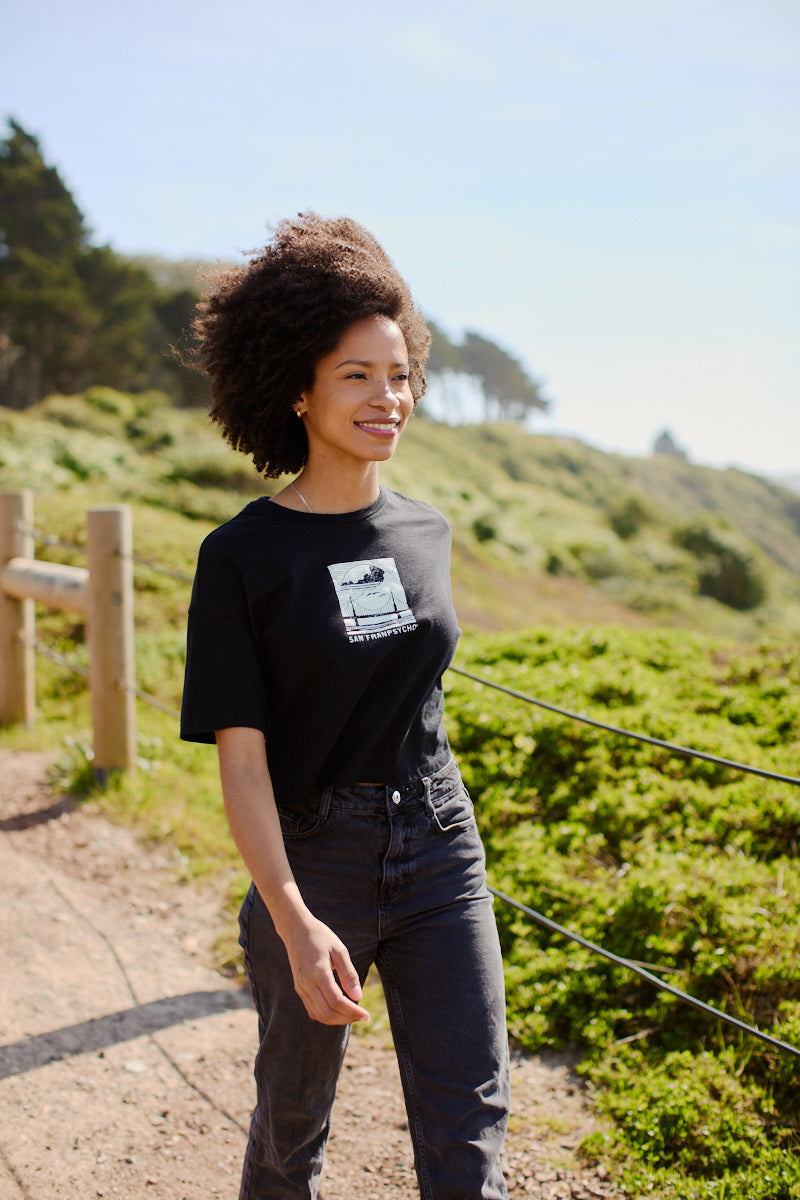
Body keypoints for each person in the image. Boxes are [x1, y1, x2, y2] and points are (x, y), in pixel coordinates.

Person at [180, 213, 510, 1199]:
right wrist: (289, 917)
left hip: (439, 841)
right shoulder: (241, 558)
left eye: (398, 373)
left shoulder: (427, 530)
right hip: (311, 851)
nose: (386, 398)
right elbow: (241, 761)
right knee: (291, 1131)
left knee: (469, 1125)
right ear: (297, 388)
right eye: (355, 375)